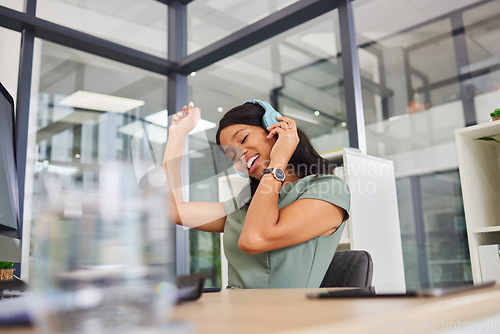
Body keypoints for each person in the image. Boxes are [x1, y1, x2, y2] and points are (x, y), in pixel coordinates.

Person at [163, 101, 350, 289]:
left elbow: (254, 239)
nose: (240, 155)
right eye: (232, 156)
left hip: (283, 315)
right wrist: (177, 136)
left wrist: (278, 161)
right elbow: (174, 211)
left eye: (243, 139)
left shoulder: (330, 189)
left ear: (275, 129)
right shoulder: (247, 204)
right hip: (233, 310)